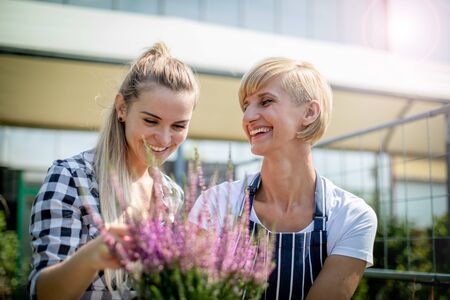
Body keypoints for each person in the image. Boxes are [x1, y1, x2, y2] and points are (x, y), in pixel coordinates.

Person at [189, 57, 377, 299]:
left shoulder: (352, 217)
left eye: (265, 101)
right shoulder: (215, 202)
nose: (248, 117)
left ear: (309, 112)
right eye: (245, 106)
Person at [29, 42, 199, 300]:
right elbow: (44, 294)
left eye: (178, 126)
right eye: (151, 121)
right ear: (122, 108)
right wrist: (93, 255)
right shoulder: (72, 178)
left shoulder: (172, 195)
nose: (164, 138)